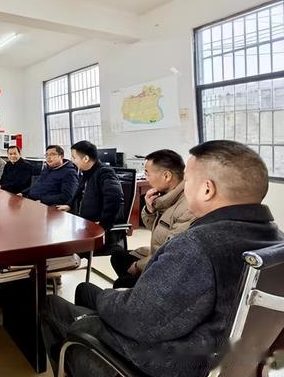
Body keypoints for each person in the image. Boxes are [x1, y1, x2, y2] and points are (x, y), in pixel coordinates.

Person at [41, 140, 283, 377]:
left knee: (53, 305)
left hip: (163, 362)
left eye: (188, 180)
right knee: (87, 292)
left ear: (207, 189)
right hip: (219, 355)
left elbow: (139, 319)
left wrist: (111, 299)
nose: (184, 187)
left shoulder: (197, 245)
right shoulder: (277, 241)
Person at [110, 149, 194, 288]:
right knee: (118, 257)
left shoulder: (187, 205)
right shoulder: (166, 195)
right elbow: (156, 228)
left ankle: (141, 291)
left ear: (166, 176)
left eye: (147, 173)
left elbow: (171, 252)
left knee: (121, 283)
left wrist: (137, 266)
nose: (146, 178)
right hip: (157, 251)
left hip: (169, 264)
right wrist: (150, 209)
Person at [57, 140, 123, 233]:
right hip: (83, 222)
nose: (72, 161)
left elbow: (114, 199)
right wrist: (69, 205)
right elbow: (79, 190)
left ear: (86, 158)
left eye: (74, 157)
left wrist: (103, 225)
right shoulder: (87, 172)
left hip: (96, 225)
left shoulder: (105, 173)